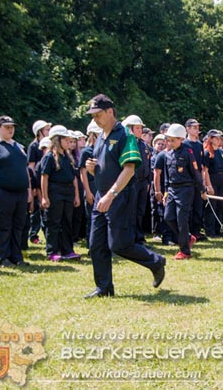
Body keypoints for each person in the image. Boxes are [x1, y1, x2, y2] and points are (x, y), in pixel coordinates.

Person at [84, 94, 166, 298]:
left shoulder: (125, 136)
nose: (95, 119)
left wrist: (111, 195)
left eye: (98, 114)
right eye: (92, 115)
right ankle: (104, 288)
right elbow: (106, 169)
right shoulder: (101, 137)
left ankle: (155, 262)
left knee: (119, 245)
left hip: (118, 196)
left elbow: (129, 169)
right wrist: (92, 169)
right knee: (96, 244)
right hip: (102, 195)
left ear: (110, 112)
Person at [0, 116, 33, 267]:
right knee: (3, 226)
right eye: (6, 127)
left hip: (20, 193)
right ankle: (3, 257)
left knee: (18, 226)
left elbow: (25, 170)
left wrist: (28, 191)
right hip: (2, 192)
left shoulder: (17, 147)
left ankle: (16, 257)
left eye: (12, 126)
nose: (10, 129)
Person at [158, 124, 206, 260]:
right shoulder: (168, 154)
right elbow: (167, 175)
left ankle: (185, 251)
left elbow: (195, 172)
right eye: (169, 140)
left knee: (181, 219)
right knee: (168, 217)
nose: (170, 143)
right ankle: (188, 237)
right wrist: (166, 191)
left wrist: (202, 189)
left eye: (173, 140)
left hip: (185, 189)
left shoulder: (187, 152)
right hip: (172, 189)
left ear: (181, 139)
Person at [40, 126, 81, 261]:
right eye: (65, 139)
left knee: (66, 222)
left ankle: (67, 250)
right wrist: (45, 197)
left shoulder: (67, 157)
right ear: (58, 139)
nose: (68, 142)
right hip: (55, 192)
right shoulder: (49, 157)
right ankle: (52, 251)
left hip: (68, 192)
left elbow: (74, 177)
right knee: (54, 222)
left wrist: (76, 195)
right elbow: (44, 177)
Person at [122, 115, 152, 245]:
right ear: (130, 129)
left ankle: (139, 237)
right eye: (138, 128)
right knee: (131, 211)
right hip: (131, 182)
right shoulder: (127, 143)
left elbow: (148, 164)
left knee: (140, 211)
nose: (141, 130)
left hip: (143, 182)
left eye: (141, 127)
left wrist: (148, 182)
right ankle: (130, 237)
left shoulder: (143, 145)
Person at [203, 129, 223, 238]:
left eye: (220, 137)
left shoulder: (222, 152)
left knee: (221, 206)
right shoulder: (207, 152)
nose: (219, 139)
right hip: (212, 179)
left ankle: (219, 228)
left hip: (221, 180)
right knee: (212, 206)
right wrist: (208, 185)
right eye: (216, 137)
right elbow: (205, 170)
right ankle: (210, 231)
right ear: (211, 139)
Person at [27, 120, 51, 245]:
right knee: (36, 211)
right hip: (37, 179)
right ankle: (33, 234)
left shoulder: (50, 144)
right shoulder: (34, 146)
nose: (49, 131)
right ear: (39, 131)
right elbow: (31, 166)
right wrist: (34, 185)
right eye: (46, 129)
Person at [183, 119, 205, 241]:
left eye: (198, 127)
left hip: (197, 179)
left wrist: (202, 182)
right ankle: (189, 231)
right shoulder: (185, 144)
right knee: (189, 207)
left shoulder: (200, 145)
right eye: (194, 127)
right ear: (188, 129)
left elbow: (201, 166)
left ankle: (196, 231)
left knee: (198, 205)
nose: (197, 130)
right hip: (188, 179)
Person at [79, 121, 101, 242]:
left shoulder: (103, 150)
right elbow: (83, 173)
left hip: (102, 186)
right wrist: (87, 192)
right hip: (91, 186)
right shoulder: (86, 152)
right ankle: (91, 244)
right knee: (91, 218)